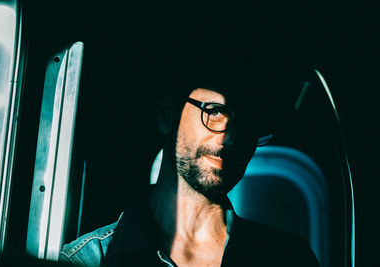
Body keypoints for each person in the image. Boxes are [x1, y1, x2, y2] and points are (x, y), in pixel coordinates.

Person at [59, 84, 319, 266]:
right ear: (167, 114)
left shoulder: (287, 258)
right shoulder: (89, 260)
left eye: (249, 123)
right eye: (215, 111)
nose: (230, 138)